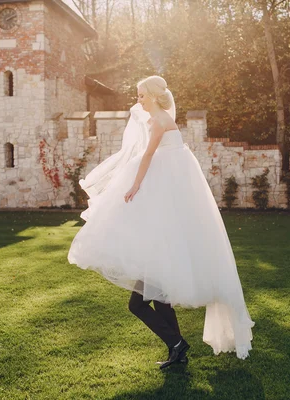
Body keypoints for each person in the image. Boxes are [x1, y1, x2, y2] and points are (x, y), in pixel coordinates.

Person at [67, 76, 254, 369]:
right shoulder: (164, 118)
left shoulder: (158, 122)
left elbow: (147, 158)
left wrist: (133, 186)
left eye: (141, 95)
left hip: (159, 226)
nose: (138, 100)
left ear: (153, 96)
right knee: (159, 294)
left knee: (138, 303)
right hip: (163, 226)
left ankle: (177, 344)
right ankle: (177, 348)